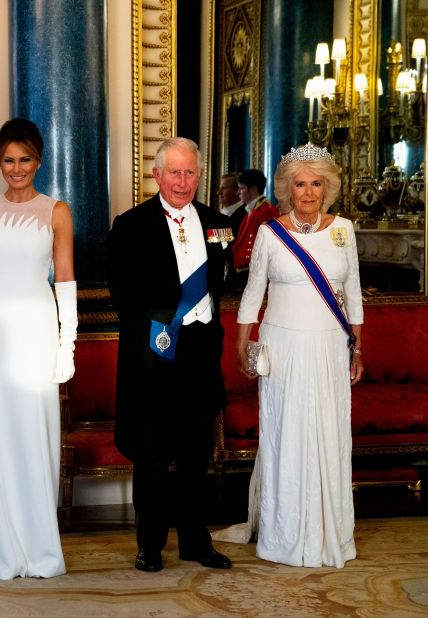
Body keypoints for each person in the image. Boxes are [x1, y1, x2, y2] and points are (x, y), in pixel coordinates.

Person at [0, 117, 76, 580]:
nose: (16, 168)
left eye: (25, 160)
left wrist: (68, 347)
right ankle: (4, 545)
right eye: (8, 160)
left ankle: (41, 548)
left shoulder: (57, 211)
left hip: (38, 332)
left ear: (39, 161)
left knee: (35, 437)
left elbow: (65, 282)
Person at [229, 143, 364, 568]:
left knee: (328, 432)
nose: (308, 192)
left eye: (316, 184)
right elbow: (253, 292)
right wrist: (240, 341)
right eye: (300, 184)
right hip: (283, 345)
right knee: (286, 432)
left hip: (328, 344)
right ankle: (284, 533)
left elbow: (354, 293)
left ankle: (329, 533)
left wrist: (357, 346)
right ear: (287, 188)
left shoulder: (344, 229)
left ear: (328, 188)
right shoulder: (271, 232)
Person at [106, 137, 233, 573]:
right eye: (174, 172)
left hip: (200, 353)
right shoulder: (131, 225)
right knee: (154, 454)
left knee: (197, 454)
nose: (182, 181)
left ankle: (196, 542)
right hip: (155, 352)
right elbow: (122, 295)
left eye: (190, 172)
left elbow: (222, 285)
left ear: (200, 175)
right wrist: (162, 328)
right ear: (156, 175)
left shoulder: (218, 224)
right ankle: (150, 546)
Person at [231, 169, 279, 283]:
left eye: (241, 188)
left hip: (254, 273)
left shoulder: (266, 210)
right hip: (243, 272)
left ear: (253, 190)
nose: (238, 193)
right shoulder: (251, 211)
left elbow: (270, 247)